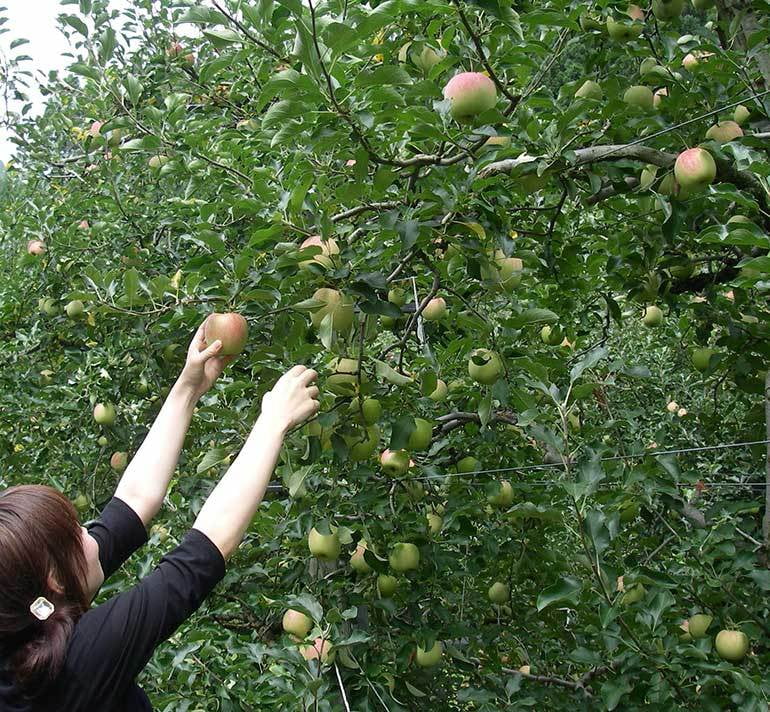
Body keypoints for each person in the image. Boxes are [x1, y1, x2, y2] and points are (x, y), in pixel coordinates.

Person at [0, 319, 319, 711]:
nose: (90, 531)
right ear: (53, 580)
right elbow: (200, 556)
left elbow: (132, 503)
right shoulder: (76, 665)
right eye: (76, 531)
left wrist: (190, 386)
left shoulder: (28, 622)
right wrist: (273, 422)